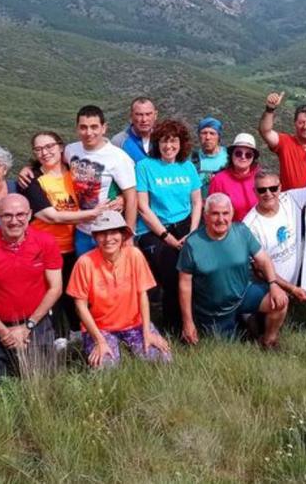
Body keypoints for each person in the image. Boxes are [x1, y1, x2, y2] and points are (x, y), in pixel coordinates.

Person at [177, 194, 303, 348]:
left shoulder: (242, 232)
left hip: (244, 294)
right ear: (206, 215)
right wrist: (187, 322)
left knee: (280, 301)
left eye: (225, 213)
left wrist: (273, 285)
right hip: (214, 310)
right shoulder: (192, 244)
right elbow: (184, 285)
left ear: (232, 214)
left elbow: (263, 260)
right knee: (227, 348)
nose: (221, 219)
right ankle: (247, 322)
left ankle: (269, 340)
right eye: (215, 213)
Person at [0, 194, 62, 385]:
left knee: (42, 383)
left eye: (20, 215)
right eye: (7, 215)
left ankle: (20, 357)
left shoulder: (46, 242)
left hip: (35, 321)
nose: (14, 221)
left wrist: (28, 326)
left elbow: (55, 288)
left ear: (30, 215)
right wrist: (4, 333)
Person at [20, 131, 110, 338]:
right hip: (45, 249)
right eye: (39, 149)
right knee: (50, 296)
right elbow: (51, 217)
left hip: (76, 244)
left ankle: (80, 334)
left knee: (76, 293)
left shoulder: (75, 172)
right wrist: (93, 214)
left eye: (49, 147)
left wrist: (120, 198)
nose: (45, 152)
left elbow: (103, 184)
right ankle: (55, 338)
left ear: (61, 147)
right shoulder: (32, 180)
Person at [66, 211, 172, 368]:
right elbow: (80, 306)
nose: (108, 239)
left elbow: (142, 294)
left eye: (114, 232)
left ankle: (134, 344)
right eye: (102, 234)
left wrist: (147, 332)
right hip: (101, 328)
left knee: (163, 359)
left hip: (135, 324)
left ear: (123, 235)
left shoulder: (134, 255)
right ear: (95, 237)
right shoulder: (84, 263)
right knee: (105, 367)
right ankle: (102, 345)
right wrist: (99, 340)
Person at [135, 119, 204, 335]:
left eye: (174, 141)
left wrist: (192, 232)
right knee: (172, 276)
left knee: (198, 272)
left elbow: (197, 202)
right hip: (155, 228)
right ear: (157, 143)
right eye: (164, 141)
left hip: (185, 224)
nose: (169, 146)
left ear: (181, 143)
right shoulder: (145, 166)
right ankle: (174, 329)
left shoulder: (187, 166)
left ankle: (197, 320)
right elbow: (143, 208)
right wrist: (167, 237)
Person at [63, 105, 137, 256]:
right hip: (82, 231)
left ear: (104, 128)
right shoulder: (71, 150)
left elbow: (132, 197)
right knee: (86, 274)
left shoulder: (118, 157)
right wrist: (30, 168)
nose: (89, 132)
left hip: (109, 231)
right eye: (83, 127)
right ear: (77, 128)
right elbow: (50, 163)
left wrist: (128, 235)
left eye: (94, 127)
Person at [242, 171, 306, 301]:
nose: (268, 194)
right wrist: (291, 288)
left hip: (296, 281)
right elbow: (260, 270)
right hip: (269, 285)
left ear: (280, 187)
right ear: (254, 191)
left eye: (273, 188)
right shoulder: (249, 226)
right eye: (262, 190)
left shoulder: (291, 198)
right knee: (278, 305)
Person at [259, 92, 306, 191]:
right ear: (295, 124)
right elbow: (265, 131)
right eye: (301, 122)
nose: (305, 126)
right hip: (290, 203)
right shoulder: (285, 142)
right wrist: (270, 109)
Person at [209, 133, 262, 222]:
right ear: (231, 155)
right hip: (231, 231)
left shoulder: (261, 178)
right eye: (238, 153)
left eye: (248, 155)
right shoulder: (219, 180)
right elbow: (212, 212)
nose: (243, 157)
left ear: (253, 158)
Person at [110, 97, 158, 164]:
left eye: (148, 114)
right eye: (139, 115)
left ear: (155, 115)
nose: (144, 119)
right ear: (131, 116)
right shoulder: (119, 142)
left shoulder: (163, 138)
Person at [191, 116, 228, 197]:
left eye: (212, 133)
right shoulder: (192, 159)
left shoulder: (229, 156)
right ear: (199, 136)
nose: (208, 137)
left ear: (219, 136)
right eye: (204, 133)